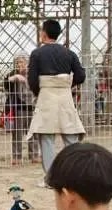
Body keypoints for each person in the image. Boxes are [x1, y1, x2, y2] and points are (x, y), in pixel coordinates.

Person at [26, 19, 86, 187]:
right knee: (70, 135)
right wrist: (66, 85)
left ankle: (52, 179)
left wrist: (41, 92)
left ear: (44, 34)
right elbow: (81, 76)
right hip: (65, 97)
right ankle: (76, 177)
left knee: (47, 137)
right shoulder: (70, 53)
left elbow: (32, 80)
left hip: (46, 97)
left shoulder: (37, 54)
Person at [3, 54, 40, 165]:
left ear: (27, 63)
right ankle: (16, 157)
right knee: (17, 133)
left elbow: (37, 87)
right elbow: (5, 85)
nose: (20, 65)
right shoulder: (13, 74)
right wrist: (12, 79)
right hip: (18, 107)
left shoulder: (33, 74)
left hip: (32, 107)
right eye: (18, 62)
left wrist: (25, 80)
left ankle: (34, 155)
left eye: (22, 62)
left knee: (33, 132)